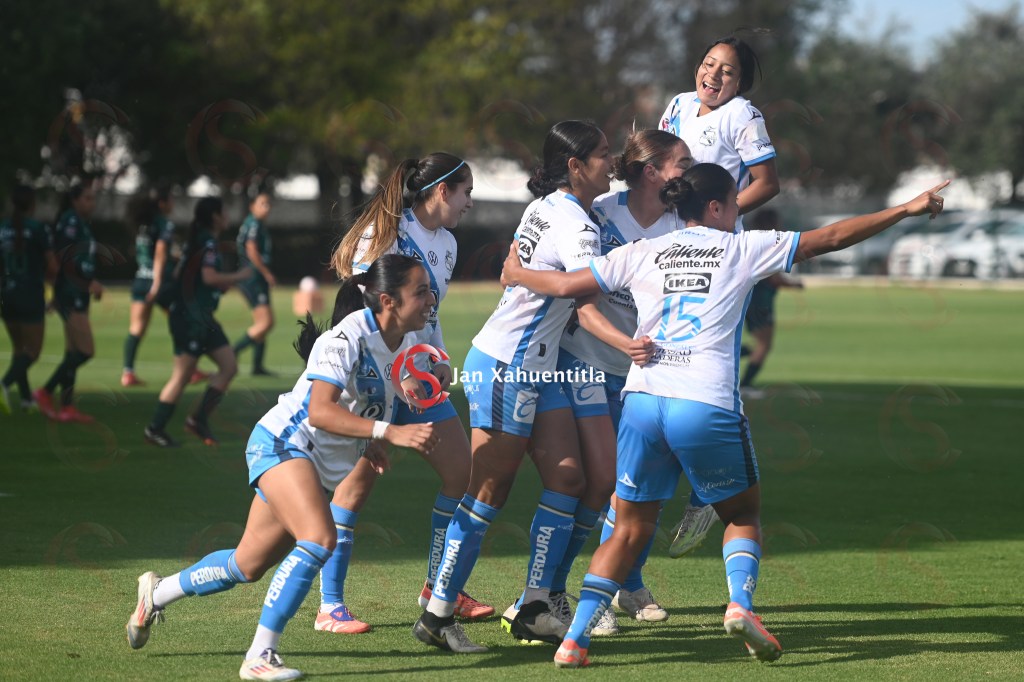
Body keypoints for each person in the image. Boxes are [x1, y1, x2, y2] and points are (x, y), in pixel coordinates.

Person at [499, 163, 949, 667]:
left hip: (644, 401)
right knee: (742, 513)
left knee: (627, 527)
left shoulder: (642, 251)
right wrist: (906, 208)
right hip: (704, 401)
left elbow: (567, 287)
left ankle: (575, 640)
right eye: (734, 203)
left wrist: (516, 274)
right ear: (715, 207)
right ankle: (740, 605)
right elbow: (832, 237)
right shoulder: (741, 247)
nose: (738, 211)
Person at [125, 254, 441, 681]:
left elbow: (361, 400)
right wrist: (388, 432)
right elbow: (320, 412)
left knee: (246, 565)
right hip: (282, 444)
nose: (430, 298)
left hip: (311, 462)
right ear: (387, 300)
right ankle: (260, 655)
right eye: (420, 291)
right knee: (319, 537)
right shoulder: (345, 338)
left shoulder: (402, 344)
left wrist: (369, 442)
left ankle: (156, 594)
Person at [413, 120, 640, 653]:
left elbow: (524, 273)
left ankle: (537, 603)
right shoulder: (576, 224)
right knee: (487, 492)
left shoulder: (553, 208)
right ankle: (438, 613)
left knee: (568, 479)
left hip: (540, 366)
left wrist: (518, 274)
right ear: (575, 166)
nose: (613, 162)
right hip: (508, 365)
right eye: (604, 155)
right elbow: (580, 290)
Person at [319, 152, 491, 635]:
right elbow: (360, 313)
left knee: (463, 472)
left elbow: (427, 315)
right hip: (375, 378)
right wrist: (396, 372)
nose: (470, 203)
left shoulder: (449, 245)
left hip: (420, 379)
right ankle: (330, 606)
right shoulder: (384, 237)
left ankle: (439, 589)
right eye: (466, 192)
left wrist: (437, 360)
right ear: (441, 191)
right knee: (357, 486)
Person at [551, 130, 690, 638]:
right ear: (652, 170)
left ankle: (626, 583)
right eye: (682, 163)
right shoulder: (603, 211)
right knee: (600, 484)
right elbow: (577, 285)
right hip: (587, 361)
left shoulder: (683, 222)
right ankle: (571, 594)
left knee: (640, 485)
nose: (688, 172)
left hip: (649, 370)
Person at [659, 35, 781, 553]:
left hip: (715, 260)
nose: (713, 76)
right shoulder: (678, 106)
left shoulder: (743, 116)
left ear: (741, 83)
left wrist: (721, 221)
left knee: (711, 374)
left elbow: (767, 182)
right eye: (708, 64)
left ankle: (709, 489)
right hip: (664, 252)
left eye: (727, 71)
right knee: (664, 369)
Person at [143, 197, 250, 447]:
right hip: (189, 318)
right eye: (224, 212)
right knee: (182, 375)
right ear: (215, 216)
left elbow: (184, 274)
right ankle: (154, 428)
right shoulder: (207, 242)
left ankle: (198, 419)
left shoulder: (198, 240)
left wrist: (214, 286)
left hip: (202, 317)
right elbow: (208, 276)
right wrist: (239, 275)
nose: (227, 217)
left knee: (229, 366)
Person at [33, 183, 103, 423]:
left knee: (73, 351)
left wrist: (90, 281)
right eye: (87, 198)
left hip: (76, 292)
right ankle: (45, 391)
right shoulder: (71, 222)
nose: (91, 203)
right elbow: (62, 259)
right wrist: (85, 283)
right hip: (70, 293)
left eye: (93, 198)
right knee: (86, 351)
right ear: (74, 200)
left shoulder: (80, 223)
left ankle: (67, 407)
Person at [0, 185, 58, 413]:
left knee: (19, 349)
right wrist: (55, 290)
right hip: (29, 294)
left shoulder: (3, 228)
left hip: (6, 294)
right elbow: (52, 265)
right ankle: (4, 383)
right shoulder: (37, 229)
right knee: (32, 351)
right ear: (32, 204)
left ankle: (26, 399)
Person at [738, 208, 803, 398]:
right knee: (764, 345)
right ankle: (746, 384)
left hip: (750, 301)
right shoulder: (767, 244)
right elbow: (773, 278)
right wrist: (794, 285)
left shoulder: (750, 241)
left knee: (759, 344)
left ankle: (738, 355)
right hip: (761, 303)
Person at [121, 186, 177, 387]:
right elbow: (160, 253)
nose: (173, 203)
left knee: (136, 327)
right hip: (159, 282)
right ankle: (188, 367)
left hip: (140, 279)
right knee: (182, 321)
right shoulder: (163, 224)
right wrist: (158, 283)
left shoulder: (143, 224)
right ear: (162, 203)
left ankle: (127, 372)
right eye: (171, 199)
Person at [234, 192, 277, 376]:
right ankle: (232, 352)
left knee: (261, 322)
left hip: (253, 277)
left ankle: (257, 366)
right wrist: (266, 273)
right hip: (253, 277)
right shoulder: (253, 224)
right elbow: (252, 250)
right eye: (262, 204)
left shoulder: (256, 224)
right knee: (267, 322)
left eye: (268, 204)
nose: (266, 208)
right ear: (252, 206)